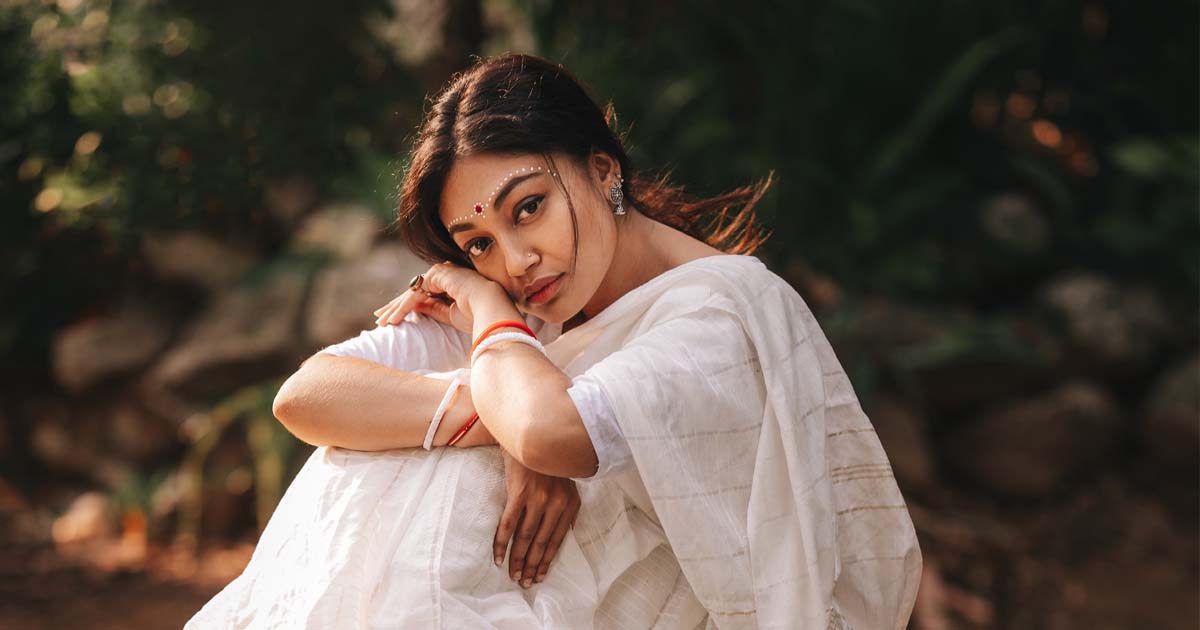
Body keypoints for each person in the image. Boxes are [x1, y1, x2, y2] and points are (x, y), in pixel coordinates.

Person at [187, 53, 921, 629]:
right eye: (476, 244)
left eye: (528, 208)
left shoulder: (721, 313)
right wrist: (496, 421)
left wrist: (487, 324)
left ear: (604, 170)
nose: (513, 260)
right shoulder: (524, 315)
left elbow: (549, 429)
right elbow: (307, 397)